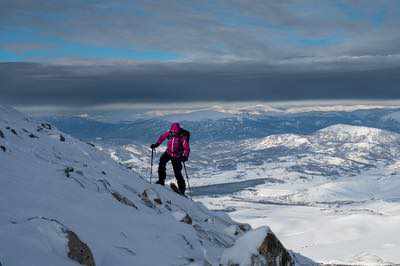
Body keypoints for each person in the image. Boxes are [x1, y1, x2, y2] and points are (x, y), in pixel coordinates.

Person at [150, 122, 190, 195]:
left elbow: (186, 148)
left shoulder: (182, 136)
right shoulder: (170, 133)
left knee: (177, 172)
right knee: (162, 162)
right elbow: (162, 137)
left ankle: (182, 189)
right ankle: (161, 181)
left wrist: (185, 156)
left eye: (175, 132)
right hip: (168, 152)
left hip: (177, 156)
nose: (173, 134)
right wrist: (156, 144)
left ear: (178, 131)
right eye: (172, 132)